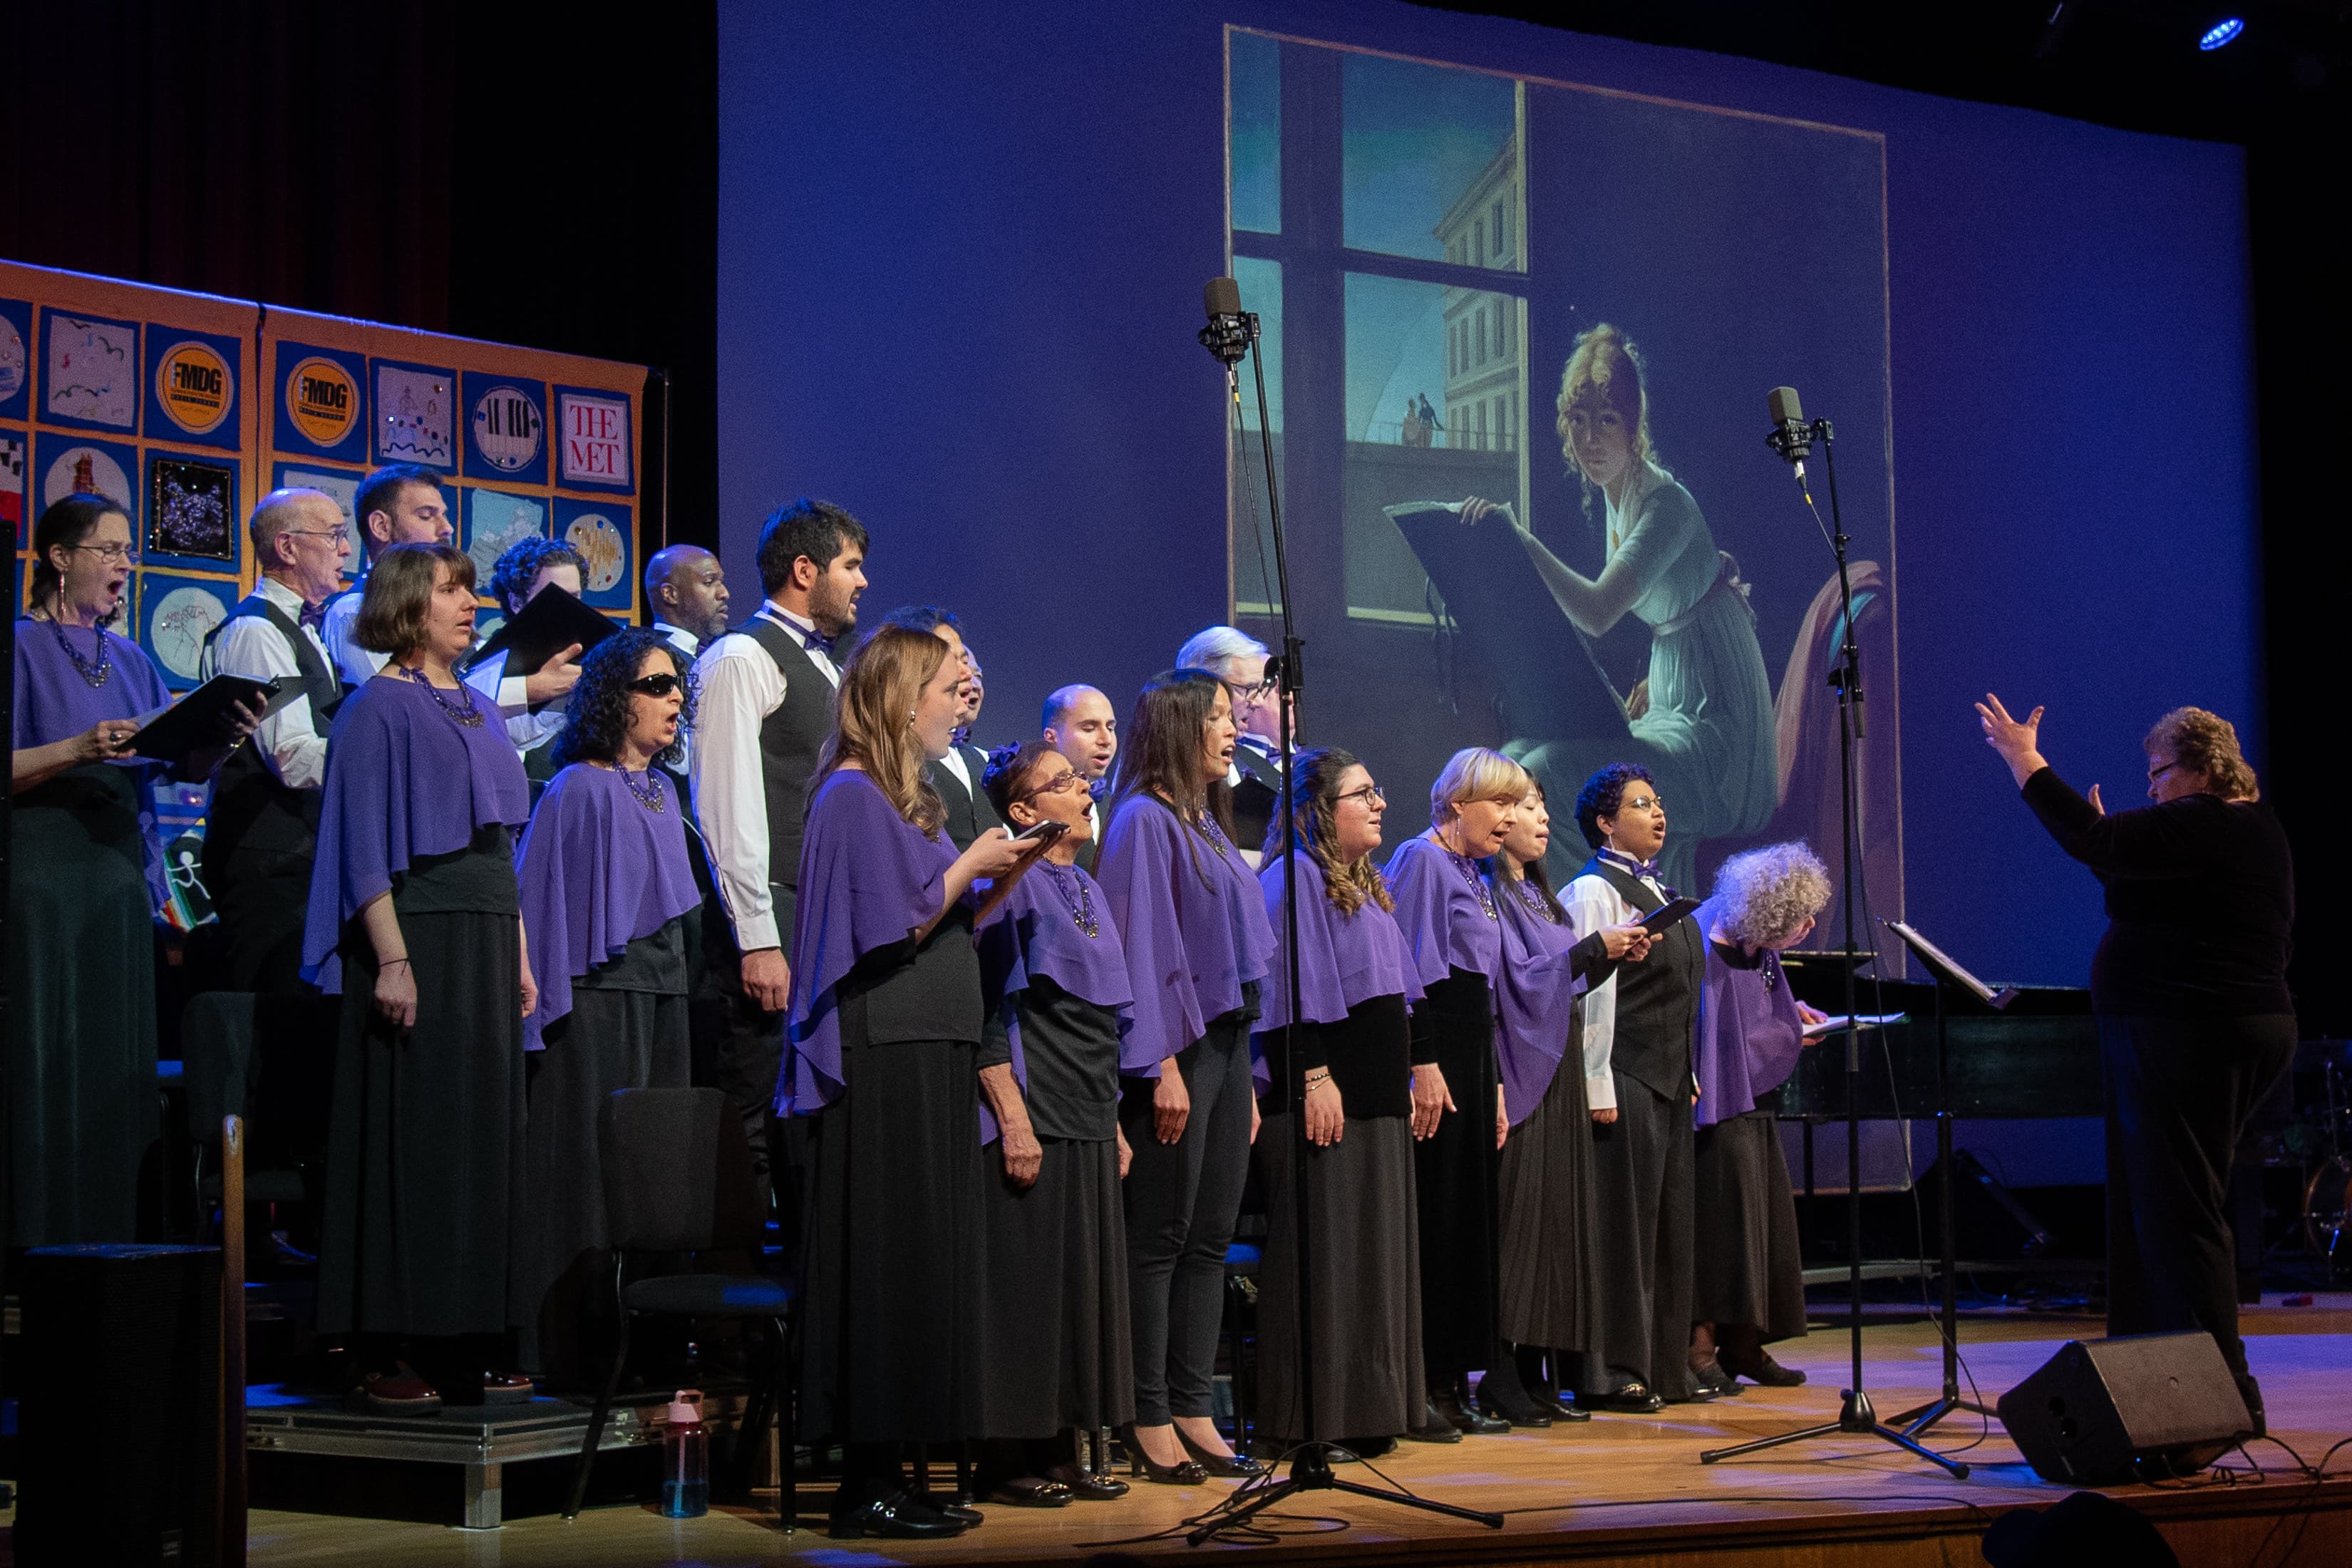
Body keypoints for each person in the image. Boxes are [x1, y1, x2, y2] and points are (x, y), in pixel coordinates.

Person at [781, 626, 1039, 1538]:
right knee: (886, 1266)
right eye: (942, 688)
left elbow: (943, 919)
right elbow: (889, 927)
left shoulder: (905, 801)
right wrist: (971, 864)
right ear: (900, 698)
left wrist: (1004, 872)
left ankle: (903, 1467)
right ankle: (865, 1485)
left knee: (925, 1264)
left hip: (932, 1044)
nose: (955, 703)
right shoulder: (851, 795)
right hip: (883, 1048)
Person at [1977, 695, 2295, 1433]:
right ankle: (2166, 1387)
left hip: (2192, 1032)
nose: (2151, 788)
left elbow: (2096, 839)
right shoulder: (2240, 832)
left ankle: (2220, 1398)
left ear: (2204, 771)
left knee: (2180, 1216)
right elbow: (2134, 880)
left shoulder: (2214, 819)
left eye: (2160, 773)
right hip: (2208, 1029)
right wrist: (2110, 847)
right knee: (2168, 1211)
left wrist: (2024, 758)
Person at [300, 543, 537, 1415]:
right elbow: (364, 846)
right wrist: (392, 958)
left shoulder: (476, 705)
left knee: (480, 1135)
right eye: (450, 590)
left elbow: (499, 846)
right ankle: (390, 1339)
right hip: (418, 938)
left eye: (470, 589)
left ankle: (471, 1331)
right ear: (407, 604)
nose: (469, 603)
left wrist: (518, 954)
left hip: (483, 941)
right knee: (417, 1137)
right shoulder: (375, 709)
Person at [9, 495, 249, 1249]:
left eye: (127, 551)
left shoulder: (135, 660)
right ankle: (27, 1239)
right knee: (41, 1057)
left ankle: (110, 1239)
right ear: (58, 557)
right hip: (38, 872)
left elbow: (171, 768)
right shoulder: (17, 646)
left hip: (115, 874)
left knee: (114, 1067)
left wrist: (217, 744)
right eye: (108, 549)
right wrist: (78, 748)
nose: (124, 564)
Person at [1458, 324, 1775, 890]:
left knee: (1554, 769)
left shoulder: (1666, 506)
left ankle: (1578, 926)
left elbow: (1600, 610)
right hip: (1677, 699)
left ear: (1633, 427)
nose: (1591, 439)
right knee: (1514, 758)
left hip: (1720, 742)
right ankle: (1513, 923)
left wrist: (1521, 540)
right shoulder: (1619, 497)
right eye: (1579, 421)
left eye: (1607, 420)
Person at [1093, 669, 1275, 1482]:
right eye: (1218, 717)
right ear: (1176, 726)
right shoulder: (1142, 820)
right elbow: (1141, 948)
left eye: (1234, 717)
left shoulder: (1204, 822)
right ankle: (1148, 1410)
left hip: (1228, 1045)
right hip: (1177, 1049)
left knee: (1210, 1238)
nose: (1231, 731)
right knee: (1162, 1236)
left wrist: (1246, 1082)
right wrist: (1159, 1062)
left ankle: (1195, 1404)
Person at [507, 631, 702, 1385]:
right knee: (590, 1173)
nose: (674, 698)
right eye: (656, 685)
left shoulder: (664, 789)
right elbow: (541, 910)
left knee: (658, 1174)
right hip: (596, 1005)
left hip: (665, 998)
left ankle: (649, 1344)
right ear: (615, 697)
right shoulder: (577, 789)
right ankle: (577, 1349)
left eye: (677, 685)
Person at [690, 499, 867, 1222]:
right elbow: (726, 805)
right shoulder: (742, 657)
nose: (862, 581)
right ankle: (731, 1317)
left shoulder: (824, 667)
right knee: (755, 1110)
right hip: (773, 918)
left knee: (806, 1113)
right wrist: (759, 938)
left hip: (819, 919)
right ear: (805, 570)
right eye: (851, 566)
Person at [972, 741, 1138, 1505]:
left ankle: (1064, 1445)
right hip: (1037, 1110)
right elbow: (992, 1012)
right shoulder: (1013, 885)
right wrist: (1013, 1117)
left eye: (1079, 780)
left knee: (1077, 1289)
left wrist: (1115, 1121)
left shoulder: (1088, 886)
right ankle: (1009, 1457)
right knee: (1026, 1290)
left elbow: (1102, 1020)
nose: (1081, 789)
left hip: (1088, 1112)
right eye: (1061, 782)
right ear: (1022, 811)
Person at [1249, 748, 1427, 1453]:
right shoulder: (1293, 876)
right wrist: (1314, 1075)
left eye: (1376, 789)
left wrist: (1416, 1072)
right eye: (1362, 793)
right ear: (1316, 811)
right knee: (1324, 1263)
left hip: (1375, 1103)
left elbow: (1398, 996)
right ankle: (1310, 1420)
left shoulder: (1365, 882)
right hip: (1324, 1100)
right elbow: (1287, 989)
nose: (1379, 802)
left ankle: (1367, 1409)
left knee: (1371, 1264)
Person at [1486, 781, 1651, 1425]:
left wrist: (1610, 956)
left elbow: (1564, 981)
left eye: (1541, 807)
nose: (1542, 818)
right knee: (1519, 1232)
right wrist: (1592, 949)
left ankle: (1535, 1375)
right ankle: (1501, 1377)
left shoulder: (1540, 895)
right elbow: (1519, 981)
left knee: (1556, 1231)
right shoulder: (1495, 892)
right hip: (1523, 1070)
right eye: (1527, 807)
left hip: (1555, 1070)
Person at [1383, 748, 1524, 1439]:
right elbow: (1408, 969)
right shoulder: (1422, 859)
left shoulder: (1475, 870)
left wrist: (1493, 1082)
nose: (1510, 818)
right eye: (1498, 803)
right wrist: (1423, 1064)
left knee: (1468, 1222)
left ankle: (1455, 1379)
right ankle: (1426, 1382)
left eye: (1515, 803)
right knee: (1436, 1220)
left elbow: (1487, 990)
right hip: (1436, 1050)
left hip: (1472, 1055)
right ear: (1456, 804)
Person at [1561, 762, 1707, 1410]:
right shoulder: (1593, 892)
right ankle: (1614, 1369)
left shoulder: (1660, 889)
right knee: (1623, 1226)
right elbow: (1591, 998)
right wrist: (1596, 1085)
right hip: (1622, 1073)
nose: (1658, 813)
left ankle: (1665, 1363)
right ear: (1605, 822)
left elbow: (1678, 993)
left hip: (1667, 1078)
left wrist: (1690, 1068)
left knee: (1667, 1226)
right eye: (1641, 804)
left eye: (1659, 801)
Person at [1687, 842, 1831, 1394]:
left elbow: (1756, 1004)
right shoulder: (1705, 945)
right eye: (1798, 918)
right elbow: (1706, 1021)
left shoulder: (1759, 950)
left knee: (1759, 1220)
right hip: (1715, 1105)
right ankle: (1700, 1346)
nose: (1809, 926)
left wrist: (1790, 1015)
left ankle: (1745, 1343)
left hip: (1754, 1100)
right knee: (1719, 1223)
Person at [198, 487, 354, 992]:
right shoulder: (256, 632)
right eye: (334, 536)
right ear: (287, 548)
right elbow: (291, 758)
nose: (346, 549)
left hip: (302, 860)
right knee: (277, 1026)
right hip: (270, 864)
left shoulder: (305, 628)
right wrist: (382, 757)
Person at [320, 464, 582, 716]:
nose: (447, 528)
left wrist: (562, 688)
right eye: (426, 515)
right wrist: (529, 688)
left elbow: (508, 729)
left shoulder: (453, 618)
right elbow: (411, 708)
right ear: (381, 526)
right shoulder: (354, 612)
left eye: (444, 515)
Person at [879, 607, 1001, 850]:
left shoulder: (980, 759)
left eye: (964, 660)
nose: (966, 674)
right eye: (951, 659)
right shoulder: (896, 761)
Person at [1176, 626, 1283, 862]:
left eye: (1260, 690)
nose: (1257, 703)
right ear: (1200, 687)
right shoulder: (1163, 781)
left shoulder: (1258, 772)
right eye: (1247, 689)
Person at [484, 536, 585, 785]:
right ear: (517, 602)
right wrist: (534, 688)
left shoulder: (590, 661)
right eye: (557, 598)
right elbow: (518, 734)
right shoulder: (483, 665)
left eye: (575, 597)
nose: (569, 609)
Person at [644, 542, 730, 778]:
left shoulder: (716, 656)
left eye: (721, 581)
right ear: (670, 594)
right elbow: (682, 760)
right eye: (710, 582)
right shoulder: (647, 661)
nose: (724, 593)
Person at [1042, 683, 1118, 872]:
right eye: (1089, 728)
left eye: (1110, 728)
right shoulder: (1038, 805)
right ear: (1052, 737)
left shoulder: (1118, 806)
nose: (1106, 740)